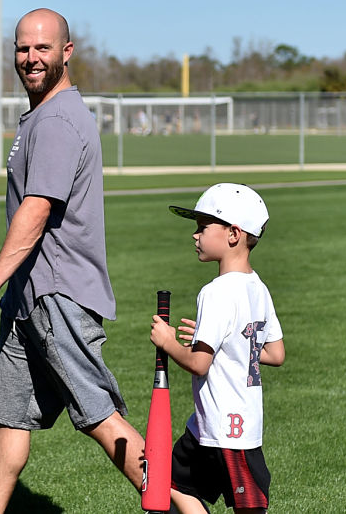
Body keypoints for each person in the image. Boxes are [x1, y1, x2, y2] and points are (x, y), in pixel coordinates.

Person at [0, 8, 144, 513]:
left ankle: (182, 503)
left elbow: (37, 210)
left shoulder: (56, 120)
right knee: (10, 417)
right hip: (28, 298)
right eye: (23, 49)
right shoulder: (42, 115)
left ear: (66, 52)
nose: (31, 58)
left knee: (100, 415)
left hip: (57, 296)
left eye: (43, 49)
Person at [150, 183, 286, 513]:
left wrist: (169, 343)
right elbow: (274, 353)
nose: (195, 235)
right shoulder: (258, 287)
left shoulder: (215, 292)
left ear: (233, 234)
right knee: (165, 482)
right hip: (208, 427)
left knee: (245, 508)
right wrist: (226, 341)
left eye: (202, 227)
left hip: (227, 431)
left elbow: (198, 363)